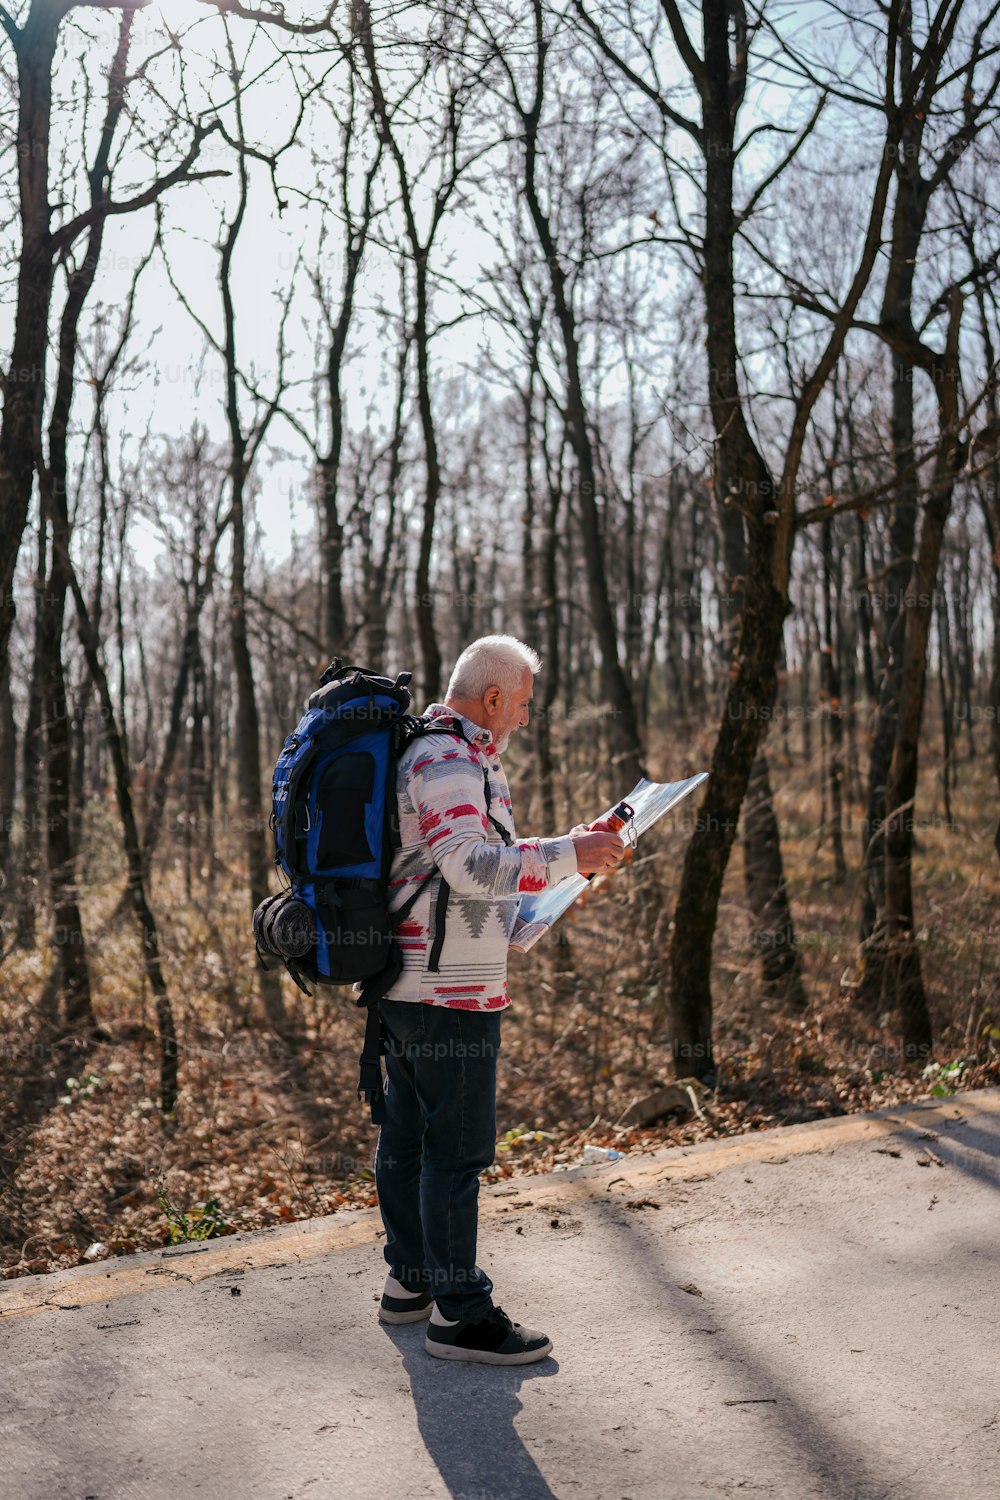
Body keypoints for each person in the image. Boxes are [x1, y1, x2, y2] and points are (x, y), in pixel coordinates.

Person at [373, 634, 626, 1365]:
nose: (522, 717)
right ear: (490, 699)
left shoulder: (448, 757)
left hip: (416, 979)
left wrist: (531, 906)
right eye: (520, 703)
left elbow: (449, 879)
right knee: (454, 1152)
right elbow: (472, 863)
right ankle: (461, 1314)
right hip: (446, 992)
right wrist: (565, 855)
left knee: (411, 1136)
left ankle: (410, 1282)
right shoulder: (450, 758)